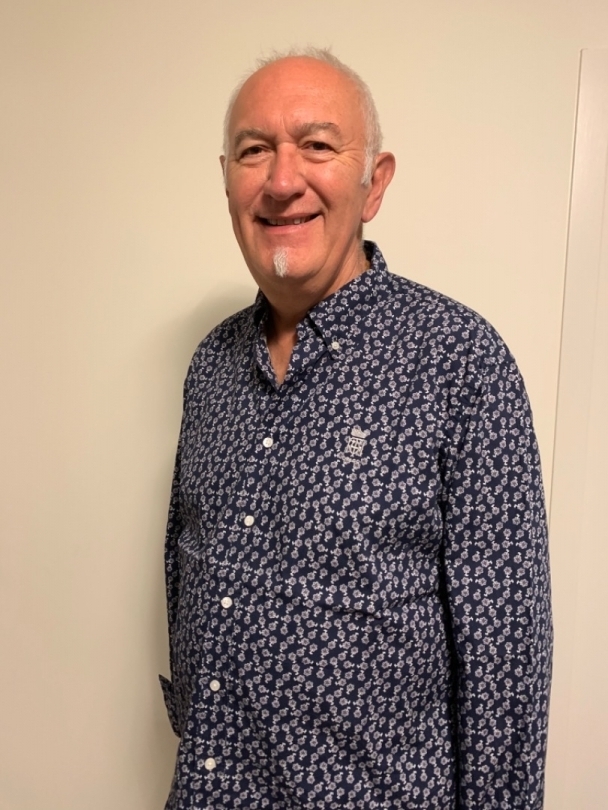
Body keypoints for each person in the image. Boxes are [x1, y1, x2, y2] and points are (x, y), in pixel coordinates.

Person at [160, 47, 552, 810]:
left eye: (316, 145)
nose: (282, 180)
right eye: (254, 151)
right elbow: (186, 579)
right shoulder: (210, 366)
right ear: (227, 180)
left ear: (375, 183)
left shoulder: (460, 363)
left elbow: (505, 670)